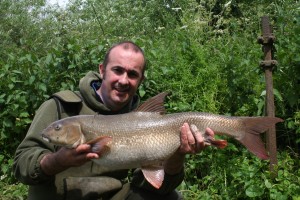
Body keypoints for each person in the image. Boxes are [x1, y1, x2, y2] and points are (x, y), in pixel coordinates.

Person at [13, 41, 215, 200]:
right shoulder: (62, 106)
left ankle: (240, 128)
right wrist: (56, 161)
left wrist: (177, 155)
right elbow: (21, 164)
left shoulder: (142, 120)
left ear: (141, 80)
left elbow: (155, 187)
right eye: (117, 70)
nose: (124, 80)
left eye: (133, 74)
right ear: (102, 70)